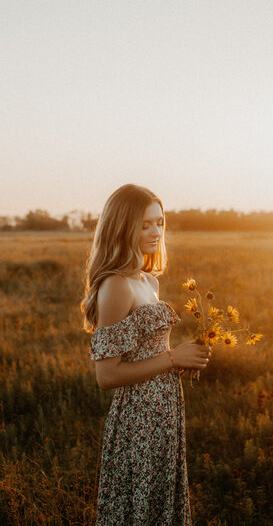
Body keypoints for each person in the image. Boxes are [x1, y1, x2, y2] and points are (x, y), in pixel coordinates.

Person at [81, 183, 211, 526]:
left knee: (159, 504)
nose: (156, 231)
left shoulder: (148, 282)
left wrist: (188, 354)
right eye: (144, 225)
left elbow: (148, 350)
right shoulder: (115, 286)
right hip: (137, 416)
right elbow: (106, 376)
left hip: (165, 410)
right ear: (123, 228)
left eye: (160, 222)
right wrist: (173, 358)